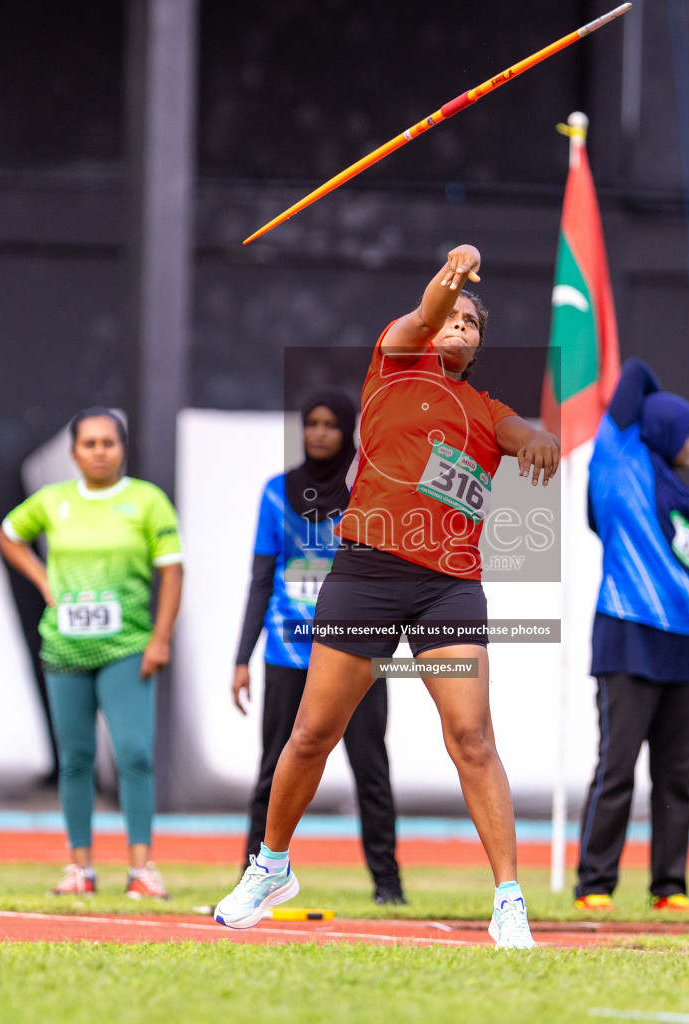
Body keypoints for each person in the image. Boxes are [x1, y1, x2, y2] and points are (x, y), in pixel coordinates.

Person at [213, 243, 559, 948]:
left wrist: (539, 440)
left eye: (473, 324)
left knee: (472, 736)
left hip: (448, 588)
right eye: (453, 318)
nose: (460, 327)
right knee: (312, 733)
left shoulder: (486, 410)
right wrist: (450, 276)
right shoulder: (396, 365)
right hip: (366, 575)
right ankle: (271, 866)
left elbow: (523, 432)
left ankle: (509, 898)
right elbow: (425, 311)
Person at [574, 360, 689, 913]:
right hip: (629, 636)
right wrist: (651, 393)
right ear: (661, 428)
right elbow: (632, 374)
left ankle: (669, 886)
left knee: (677, 776)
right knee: (618, 768)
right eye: (688, 427)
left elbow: (686, 562)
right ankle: (595, 885)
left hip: (684, 645)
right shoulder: (621, 465)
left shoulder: (675, 494)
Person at [0, 408, 184, 897]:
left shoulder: (147, 501)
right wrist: (41, 578)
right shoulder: (53, 501)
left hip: (127, 648)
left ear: (122, 449)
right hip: (65, 648)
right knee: (75, 758)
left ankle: (142, 868)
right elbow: (9, 535)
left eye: (109, 443)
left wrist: (160, 638)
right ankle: (79, 867)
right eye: (90, 444)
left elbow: (172, 572)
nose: (100, 451)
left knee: (134, 754)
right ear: (74, 451)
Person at [232, 390, 406, 905]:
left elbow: (388, 574)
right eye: (312, 422)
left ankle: (388, 887)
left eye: (331, 423)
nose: (321, 432)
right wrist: (241, 658)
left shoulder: (367, 492)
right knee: (273, 770)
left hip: (357, 654)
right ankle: (252, 876)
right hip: (288, 654)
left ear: (348, 428)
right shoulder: (274, 494)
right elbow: (260, 580)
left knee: (371, 771)